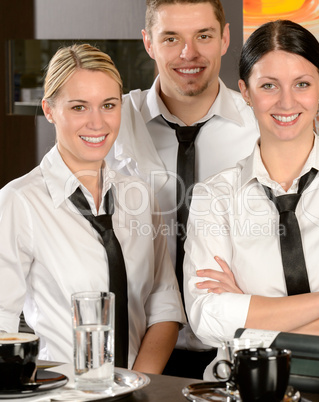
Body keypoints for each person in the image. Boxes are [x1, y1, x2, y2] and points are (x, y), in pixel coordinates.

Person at [183, 20, 319, 372]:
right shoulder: (215, 195)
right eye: (268, 85)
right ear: (246, 92)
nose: (286, 102)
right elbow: (207, 319)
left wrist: (245, 326)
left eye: (302, 84)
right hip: (242, 386)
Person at [0, 44, 186, 373]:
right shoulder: (20, 202)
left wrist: (136, 384)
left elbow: (164, 305)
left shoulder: (138, 195)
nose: (97, 122)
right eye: (79, 107)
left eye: (108, 105)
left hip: (139, 391)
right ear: (49, 110)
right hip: (59, 393)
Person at [106, 0, 259, 378]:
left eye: (203, 36)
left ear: (225, 38)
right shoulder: (110, 121)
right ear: (148, 43)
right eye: (171, 38)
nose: (188, 54)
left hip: (237, 348)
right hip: (134, 349)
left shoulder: (262, 126)